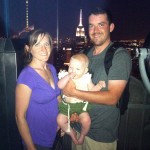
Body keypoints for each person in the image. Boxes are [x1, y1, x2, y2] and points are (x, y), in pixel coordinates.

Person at [62, 7, 132, 150]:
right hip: (76, 128)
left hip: (100, 136)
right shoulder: (83, 54)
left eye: (101, 24)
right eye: (91, 26)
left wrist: (74, 93)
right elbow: (73, 84)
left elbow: (113, 98)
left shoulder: (119, 56)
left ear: (111, 27)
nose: (95, 30)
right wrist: (74, 111)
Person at [15, 29, 61, 150]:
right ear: (28, 48)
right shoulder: (27, 76)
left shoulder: (51, 68)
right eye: (37, 44)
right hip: (37, 141)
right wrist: (31, 147)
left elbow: (58, 98)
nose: (44, 49)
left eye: (46, 44)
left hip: (54, 134)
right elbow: (20, 116)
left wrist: (63, 120)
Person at [57, 53, 105, 145]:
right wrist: (67, 76)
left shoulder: (86, 78)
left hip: (81, 106)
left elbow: (92, 90)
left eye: (77, 69)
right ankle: (71, 133)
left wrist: (99, 86)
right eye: (71, 67)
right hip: (66, 106)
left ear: (85, 70)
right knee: (60, 120)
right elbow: (59, 85)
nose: (73, 71)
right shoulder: (65, 75)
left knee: (86, 120)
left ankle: (82, 135)